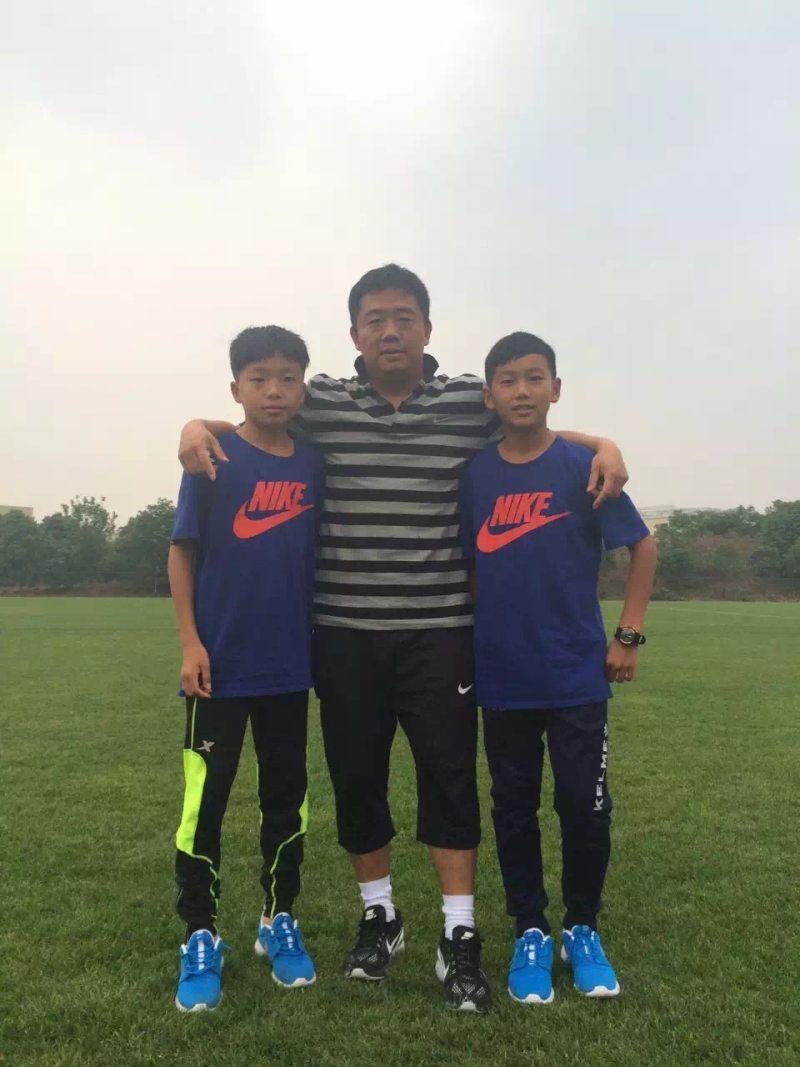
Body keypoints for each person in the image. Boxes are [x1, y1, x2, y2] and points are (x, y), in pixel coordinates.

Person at [177, 264, 629, 1013]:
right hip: (343, 633)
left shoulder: (465, 401)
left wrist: (603, 442)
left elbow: (532, 420)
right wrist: (196, 426)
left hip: (440, 633)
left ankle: (459, 932)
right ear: (354, 333)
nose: (390, 331)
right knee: (357, 777)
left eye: (404, 317)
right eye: (375, 319)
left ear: (427, 327)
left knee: (449, 779)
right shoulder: (323, 401)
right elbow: (258, 416)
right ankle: (379, 916)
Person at [459, 331, 657, 1005]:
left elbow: (641, 546)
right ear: (489, 396)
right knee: (513, 807)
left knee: (584, 804)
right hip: (502, 676)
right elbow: (470, 567)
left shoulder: (583, 466)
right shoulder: (474, 475)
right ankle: (530, 931)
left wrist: (627, 635)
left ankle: (581, 927)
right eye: (508, 380)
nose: (522, 390)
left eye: (534, 377)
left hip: (575, 673)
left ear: (556, 388)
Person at [168, 326, 324, 1012]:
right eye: (259, 378)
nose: (274, 390)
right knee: (204, 804)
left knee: (286, 798)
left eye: (288, 377)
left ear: (303, 388)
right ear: (236, 388)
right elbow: (182, 552)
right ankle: (200, 933)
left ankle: (277, 918)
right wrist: (190, 643)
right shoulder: (212, 458)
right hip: (218, 668)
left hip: (290, 666)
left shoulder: (315, 463)